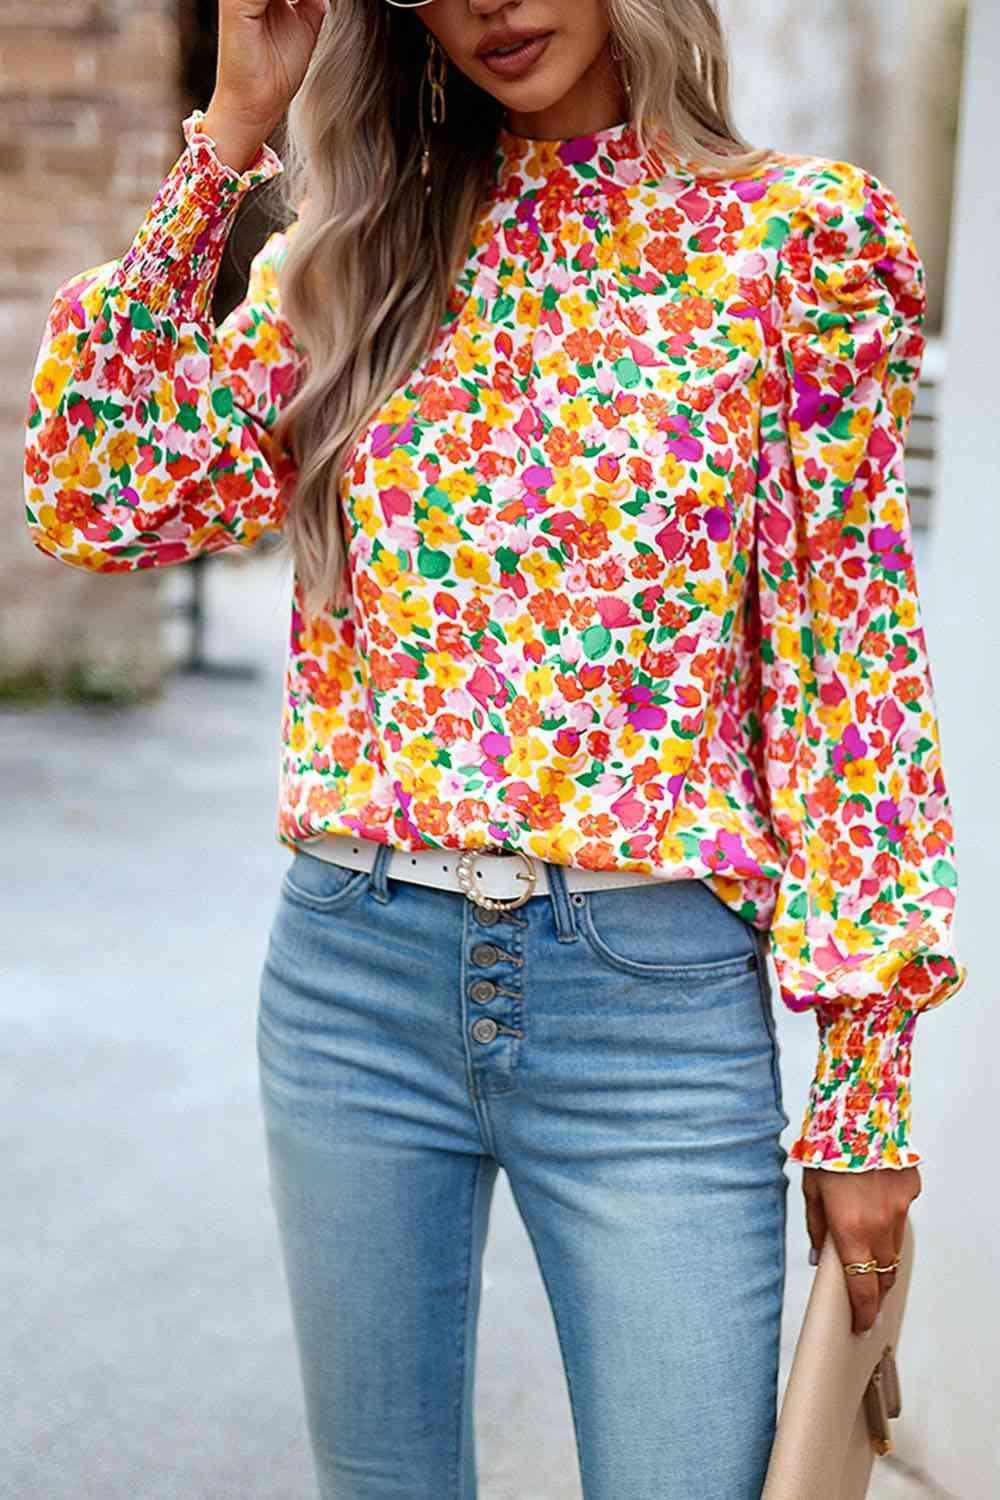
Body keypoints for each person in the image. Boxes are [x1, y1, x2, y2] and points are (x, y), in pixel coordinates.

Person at [23, 0, 967, 1495]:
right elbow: (99, 493)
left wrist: (865, 1085)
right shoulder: (351, 262)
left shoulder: (792, 247)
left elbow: (848, 679)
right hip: (353, 972)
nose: (493, 7)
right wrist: (233, 135)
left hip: (651, 1002)